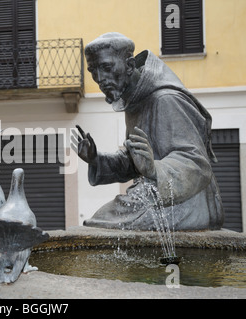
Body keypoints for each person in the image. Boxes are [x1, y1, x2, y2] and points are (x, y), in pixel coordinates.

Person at [76, 32, 223, 231]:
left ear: (129, 66)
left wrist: (154, 169)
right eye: (93, 71)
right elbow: (134, 162)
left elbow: (195, 163)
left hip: (188, 202)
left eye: (107, 67)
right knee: (103, 220)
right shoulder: (135, 101)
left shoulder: (165, 99)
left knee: (107, 222)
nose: (100, 79)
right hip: (156, 194)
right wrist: (96, 159)